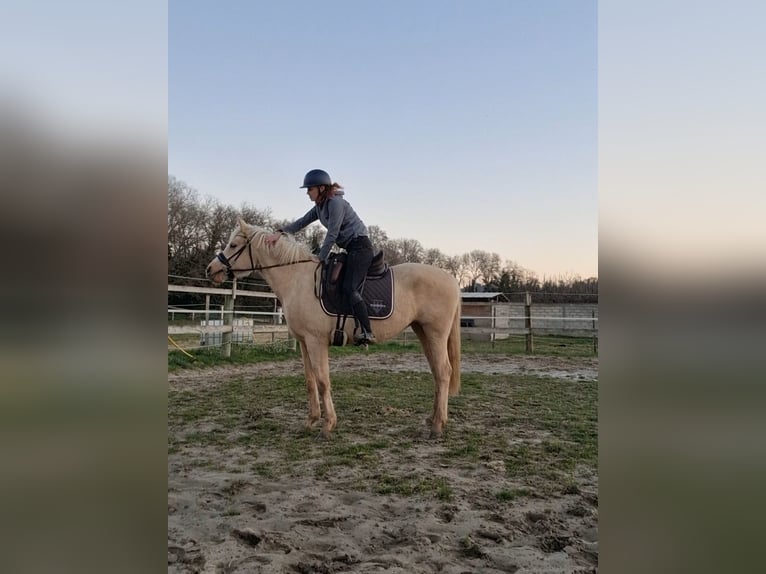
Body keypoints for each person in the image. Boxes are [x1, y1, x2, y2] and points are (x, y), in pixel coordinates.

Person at [264, 169, 377, 345]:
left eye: (310, 189)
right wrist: (279, 233)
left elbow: (332, 233)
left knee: (349, 287)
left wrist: (320, 257)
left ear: (321, 188)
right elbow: (301, 222)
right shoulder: (320, 206)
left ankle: (367, 331)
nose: (308, 193)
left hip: (360, 247)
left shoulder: (335, 203)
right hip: (349, 248)